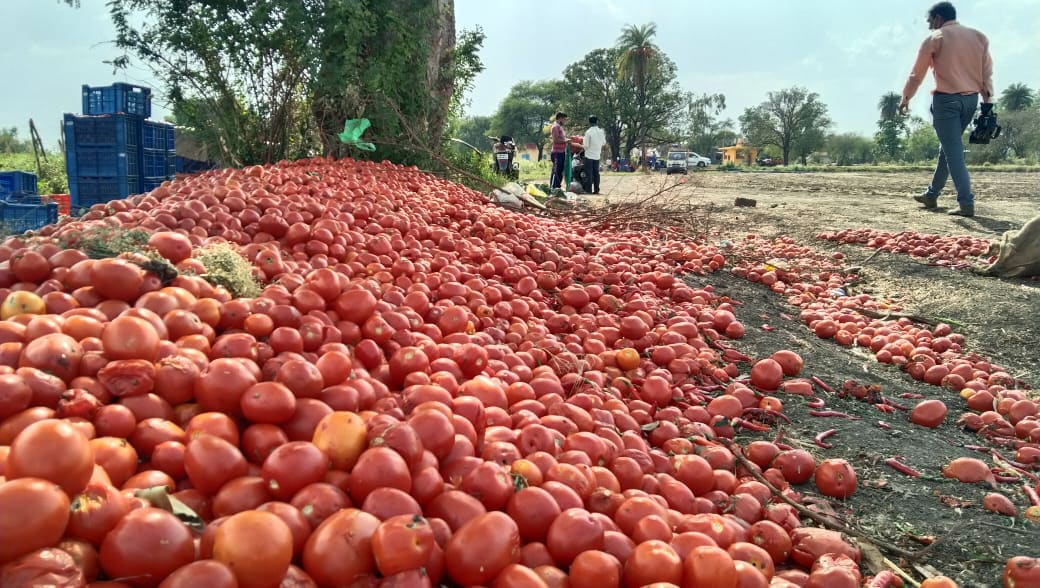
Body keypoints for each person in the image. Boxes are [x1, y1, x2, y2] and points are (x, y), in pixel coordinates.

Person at [899, 1, 993, 218]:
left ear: (939, 18)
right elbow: (986, 74)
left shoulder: (936, 38)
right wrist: (987, 103)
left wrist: (906, 98)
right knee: (948, 149)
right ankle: (931, 195)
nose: (930, 26)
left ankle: (966, 203)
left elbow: (916, 75)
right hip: (970, 101)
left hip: (946, 102)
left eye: (930, 21)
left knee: (954, 152)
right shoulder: (979, 37)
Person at [582, 116, 606, 194]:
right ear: (597, 122)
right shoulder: (601, 131)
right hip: (597, 155)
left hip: (589, 155)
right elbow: (603, 143)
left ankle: (588, 190)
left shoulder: (588, 132)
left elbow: (586, 146)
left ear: (589, 122)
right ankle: (596, 190)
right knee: (596, 173)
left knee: (589, 173)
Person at [549, 112, 569, 190]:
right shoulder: (555, 127)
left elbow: (562, 138)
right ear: (560, 118)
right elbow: (555, 139)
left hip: (562, 152)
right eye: (564, 119)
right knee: (556, 171)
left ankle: (557, 187)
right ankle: (553, 188)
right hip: (557, 153)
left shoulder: (560, 127)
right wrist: (566, 141)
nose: (565, 121)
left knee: (560, 171)